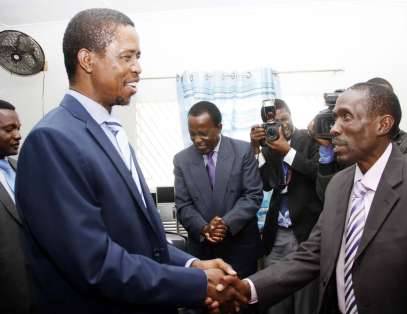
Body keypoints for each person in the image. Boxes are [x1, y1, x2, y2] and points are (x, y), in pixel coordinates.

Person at [15, 8, 242, 314]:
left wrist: (193, 264)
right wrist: (197, 285)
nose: (138, 68)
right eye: (127, 57)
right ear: (87, 60)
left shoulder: (111, 132)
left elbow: (139, 241)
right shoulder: (53, 140)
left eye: (138, 57)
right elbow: (94, 263)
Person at [220, 82, 407, 314]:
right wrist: (247, 288)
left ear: (383, 124)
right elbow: (311, 254)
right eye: (334, 118)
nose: (333, 128)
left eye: (346, 117)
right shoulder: (338, 184)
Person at [174, 100, 263, 279]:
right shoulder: (181, 160)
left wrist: (225, 223)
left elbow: (253, 195)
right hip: (203, 251)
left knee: (243, 303)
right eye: (192, 135)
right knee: (207, 304)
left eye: (203, 134)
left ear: (219, 127)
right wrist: (204, 228)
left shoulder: (243, 151)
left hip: (240, 248)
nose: (197, 140)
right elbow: (183, 206)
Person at [249, 99, 321, 314]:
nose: (281, 125)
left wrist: (288, 151)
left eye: (284, 119)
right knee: (275, 298)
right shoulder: (270, 145)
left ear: (291, 116)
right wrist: (256, 149)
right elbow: (265, 184)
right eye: (275, 122)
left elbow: (318, 172)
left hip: (306, 232)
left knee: (305, 301)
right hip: (277, 233)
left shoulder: (310, 138)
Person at [0, 99, 31, 314]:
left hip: (36, 289)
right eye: (9, 129)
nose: (18, 135)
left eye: (18, 128)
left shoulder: (17, 167)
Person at [366, 77, 407, 163]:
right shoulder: (349, 143)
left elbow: (405, 173)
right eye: (373, 98)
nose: (379, 104)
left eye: (385, 98)